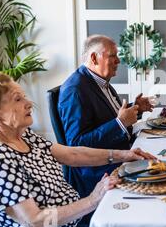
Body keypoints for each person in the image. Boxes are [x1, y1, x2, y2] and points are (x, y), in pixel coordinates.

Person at [0, 73, 155, 227]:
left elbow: (73, 154)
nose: (28, 103)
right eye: (18, 99)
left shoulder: (23, 135)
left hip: (74, 220)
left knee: (138, 217)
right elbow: (35, 222)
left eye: (24, 96)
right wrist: (92, 200)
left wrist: (125, 155)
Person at [58, 35, 154, 199]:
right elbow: (77, 145)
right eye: (112, 56)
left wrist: (135, 108)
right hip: (99, 172)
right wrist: (120, 123)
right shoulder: (75, 90)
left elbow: (107, 118)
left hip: (121, 152)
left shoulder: (99, 81)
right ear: (94, 58)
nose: (118, 61)